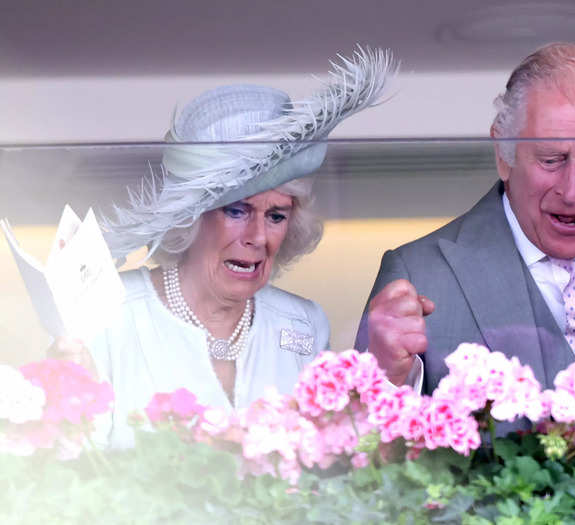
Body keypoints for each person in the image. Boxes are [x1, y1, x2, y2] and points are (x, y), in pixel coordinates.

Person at [52, 47, 396, 447]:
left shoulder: (302, 323)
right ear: (190, 218)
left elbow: (331, 460)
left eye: (276, 216)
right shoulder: (107, 312)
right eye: (236, 210)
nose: (257, 236)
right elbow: (70, 474)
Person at [356, 43, 575, 396]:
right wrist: (386, 377)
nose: (571, 190)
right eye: (551, 160)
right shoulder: (418, 274)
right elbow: (357, 441)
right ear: (504, 156)